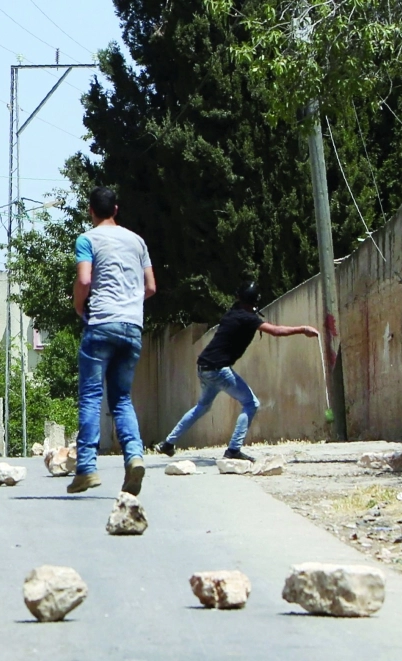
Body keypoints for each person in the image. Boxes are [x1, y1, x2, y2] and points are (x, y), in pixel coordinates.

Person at [155, 282, 319, 461]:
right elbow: (276, 331)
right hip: (218, 370)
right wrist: (302, 329)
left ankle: (168, 443)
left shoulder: (232, 313)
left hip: (204, 367)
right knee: (251, 403)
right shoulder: (248, 319)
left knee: (202, 406)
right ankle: (233, 449)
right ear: (254, 302)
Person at [68, 187, 157, 496]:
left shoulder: (87, 240)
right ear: (116, 209)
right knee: (121, 398)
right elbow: (151, 286)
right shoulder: (138, 241)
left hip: (101, 323)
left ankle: (87, 469)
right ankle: (134, 457)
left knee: (92, 396)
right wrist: (130, 303)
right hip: (132, 325)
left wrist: (80, 306)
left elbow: (84, 280)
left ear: (91, 210)